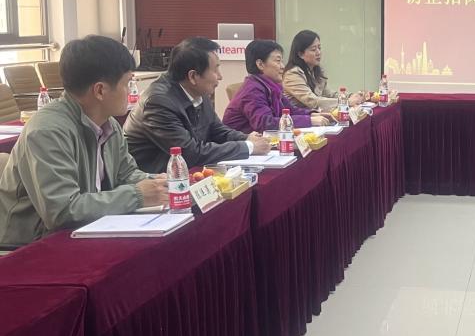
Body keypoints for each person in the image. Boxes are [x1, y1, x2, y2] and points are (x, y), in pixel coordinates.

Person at [0, 36, 168, 246]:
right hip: (28, 246)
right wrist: (137, 195)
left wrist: (160, 183)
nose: (132, 91)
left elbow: (126, 174)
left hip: (82, 229)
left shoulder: (109, 124)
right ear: (100, 90)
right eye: (127, 83)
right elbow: (62, 211)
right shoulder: (48, 131)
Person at [125, 37, 270, 173]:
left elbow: (217, 130)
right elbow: (189, 153)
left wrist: (246, 138)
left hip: (183, 173)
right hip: (155, 178)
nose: (220, 76)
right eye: (215, 69)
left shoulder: (197, 91)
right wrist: (248, 147)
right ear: (193, 76)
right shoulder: (158, 102)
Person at [223, 39, 332, 134]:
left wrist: (314, 115)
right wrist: (309, 121)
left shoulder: (270, 86)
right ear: (260, 64)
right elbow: (266, 123)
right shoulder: (253, 89)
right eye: (278, 61)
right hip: (242, 145)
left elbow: (290, 110)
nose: (283, 66)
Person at [283, 30, 340, 111]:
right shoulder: (292, 74)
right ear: (300, 54)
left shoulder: (315, 71)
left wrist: (351, 97)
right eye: (313, 49)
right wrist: (345, 102)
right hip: (299, 118)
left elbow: (329, 94)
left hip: (316, 116)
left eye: (319, 48)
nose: (318, 53)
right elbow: (313, 101)